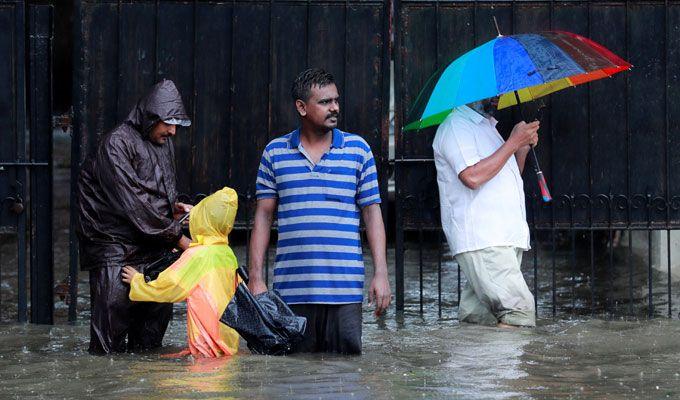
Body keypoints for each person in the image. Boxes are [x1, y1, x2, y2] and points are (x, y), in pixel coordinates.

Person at [248, 68, 391, 354]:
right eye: (325, 102)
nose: (335, 107)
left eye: (336, 100)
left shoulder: (358, 150)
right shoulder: (275, 153)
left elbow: (372, 214)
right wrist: (255, 278)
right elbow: (263, 217)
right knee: (294, 376)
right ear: (301, 107)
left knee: (346, 376)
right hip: (291, 291)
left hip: (345, 291)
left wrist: (381, 273)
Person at [77, 79, 193, 354]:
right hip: (115, 249)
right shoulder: (115, 144)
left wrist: (172, 206)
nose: (173, 131)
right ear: (152, 116)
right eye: (168, 123)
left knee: (150, 342)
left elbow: (154, 192)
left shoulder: (162, 142)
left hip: (153, 250)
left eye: (177, 124)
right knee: (109, 342)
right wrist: (181, 240)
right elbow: (132, 202)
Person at [432, 97, 539, 328]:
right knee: (518, 313)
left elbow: (503, 178)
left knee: (480, 321)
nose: (498, 95)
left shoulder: (487, 128)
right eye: (491, 91)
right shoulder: (456, 126)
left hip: (501, 238)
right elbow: (472, 177)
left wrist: (520, 149)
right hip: (485, 240)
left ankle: (476, 364)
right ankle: (502, 365)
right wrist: (513, 141)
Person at [121, 187, 241, 358]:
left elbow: (171, 285)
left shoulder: (198, 255)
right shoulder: (227, 253)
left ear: (201, 221)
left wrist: (138, 281)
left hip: (206, 343)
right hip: (228, 339)